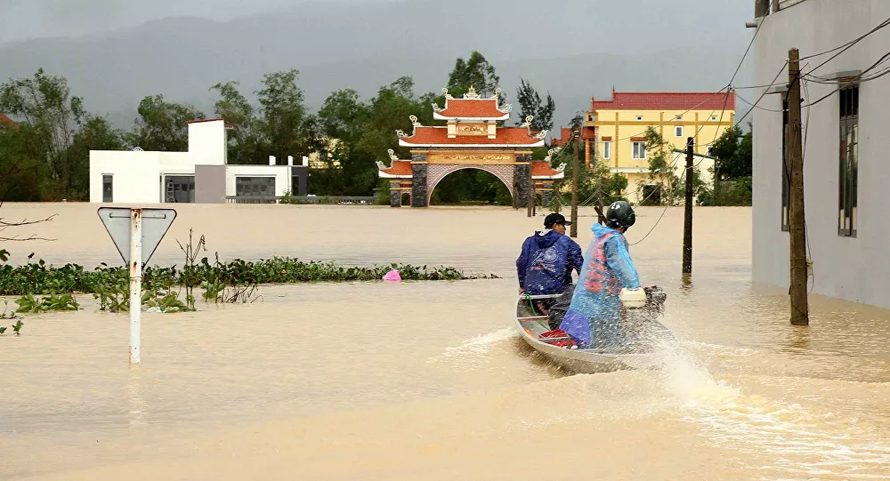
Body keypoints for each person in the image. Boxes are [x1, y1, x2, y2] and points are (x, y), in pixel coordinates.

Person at [559, 201, 644, 349]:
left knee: (594, 335)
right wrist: (635, 287)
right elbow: (623, 266)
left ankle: (593, 351)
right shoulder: (614, 240)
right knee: (607, 338)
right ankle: (609, 356)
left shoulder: (600, 236)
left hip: (587, 298)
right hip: (602, 300)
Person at [516, 213, 583, 329]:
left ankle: (542, 310)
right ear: (555, 226)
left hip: (533, 291)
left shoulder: (529, 241)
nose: (565, 229)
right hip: (557, 292)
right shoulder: (567, 242)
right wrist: (584, 287)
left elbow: (521, 264)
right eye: (563, 226)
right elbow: (580, 266)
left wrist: (522, 286)